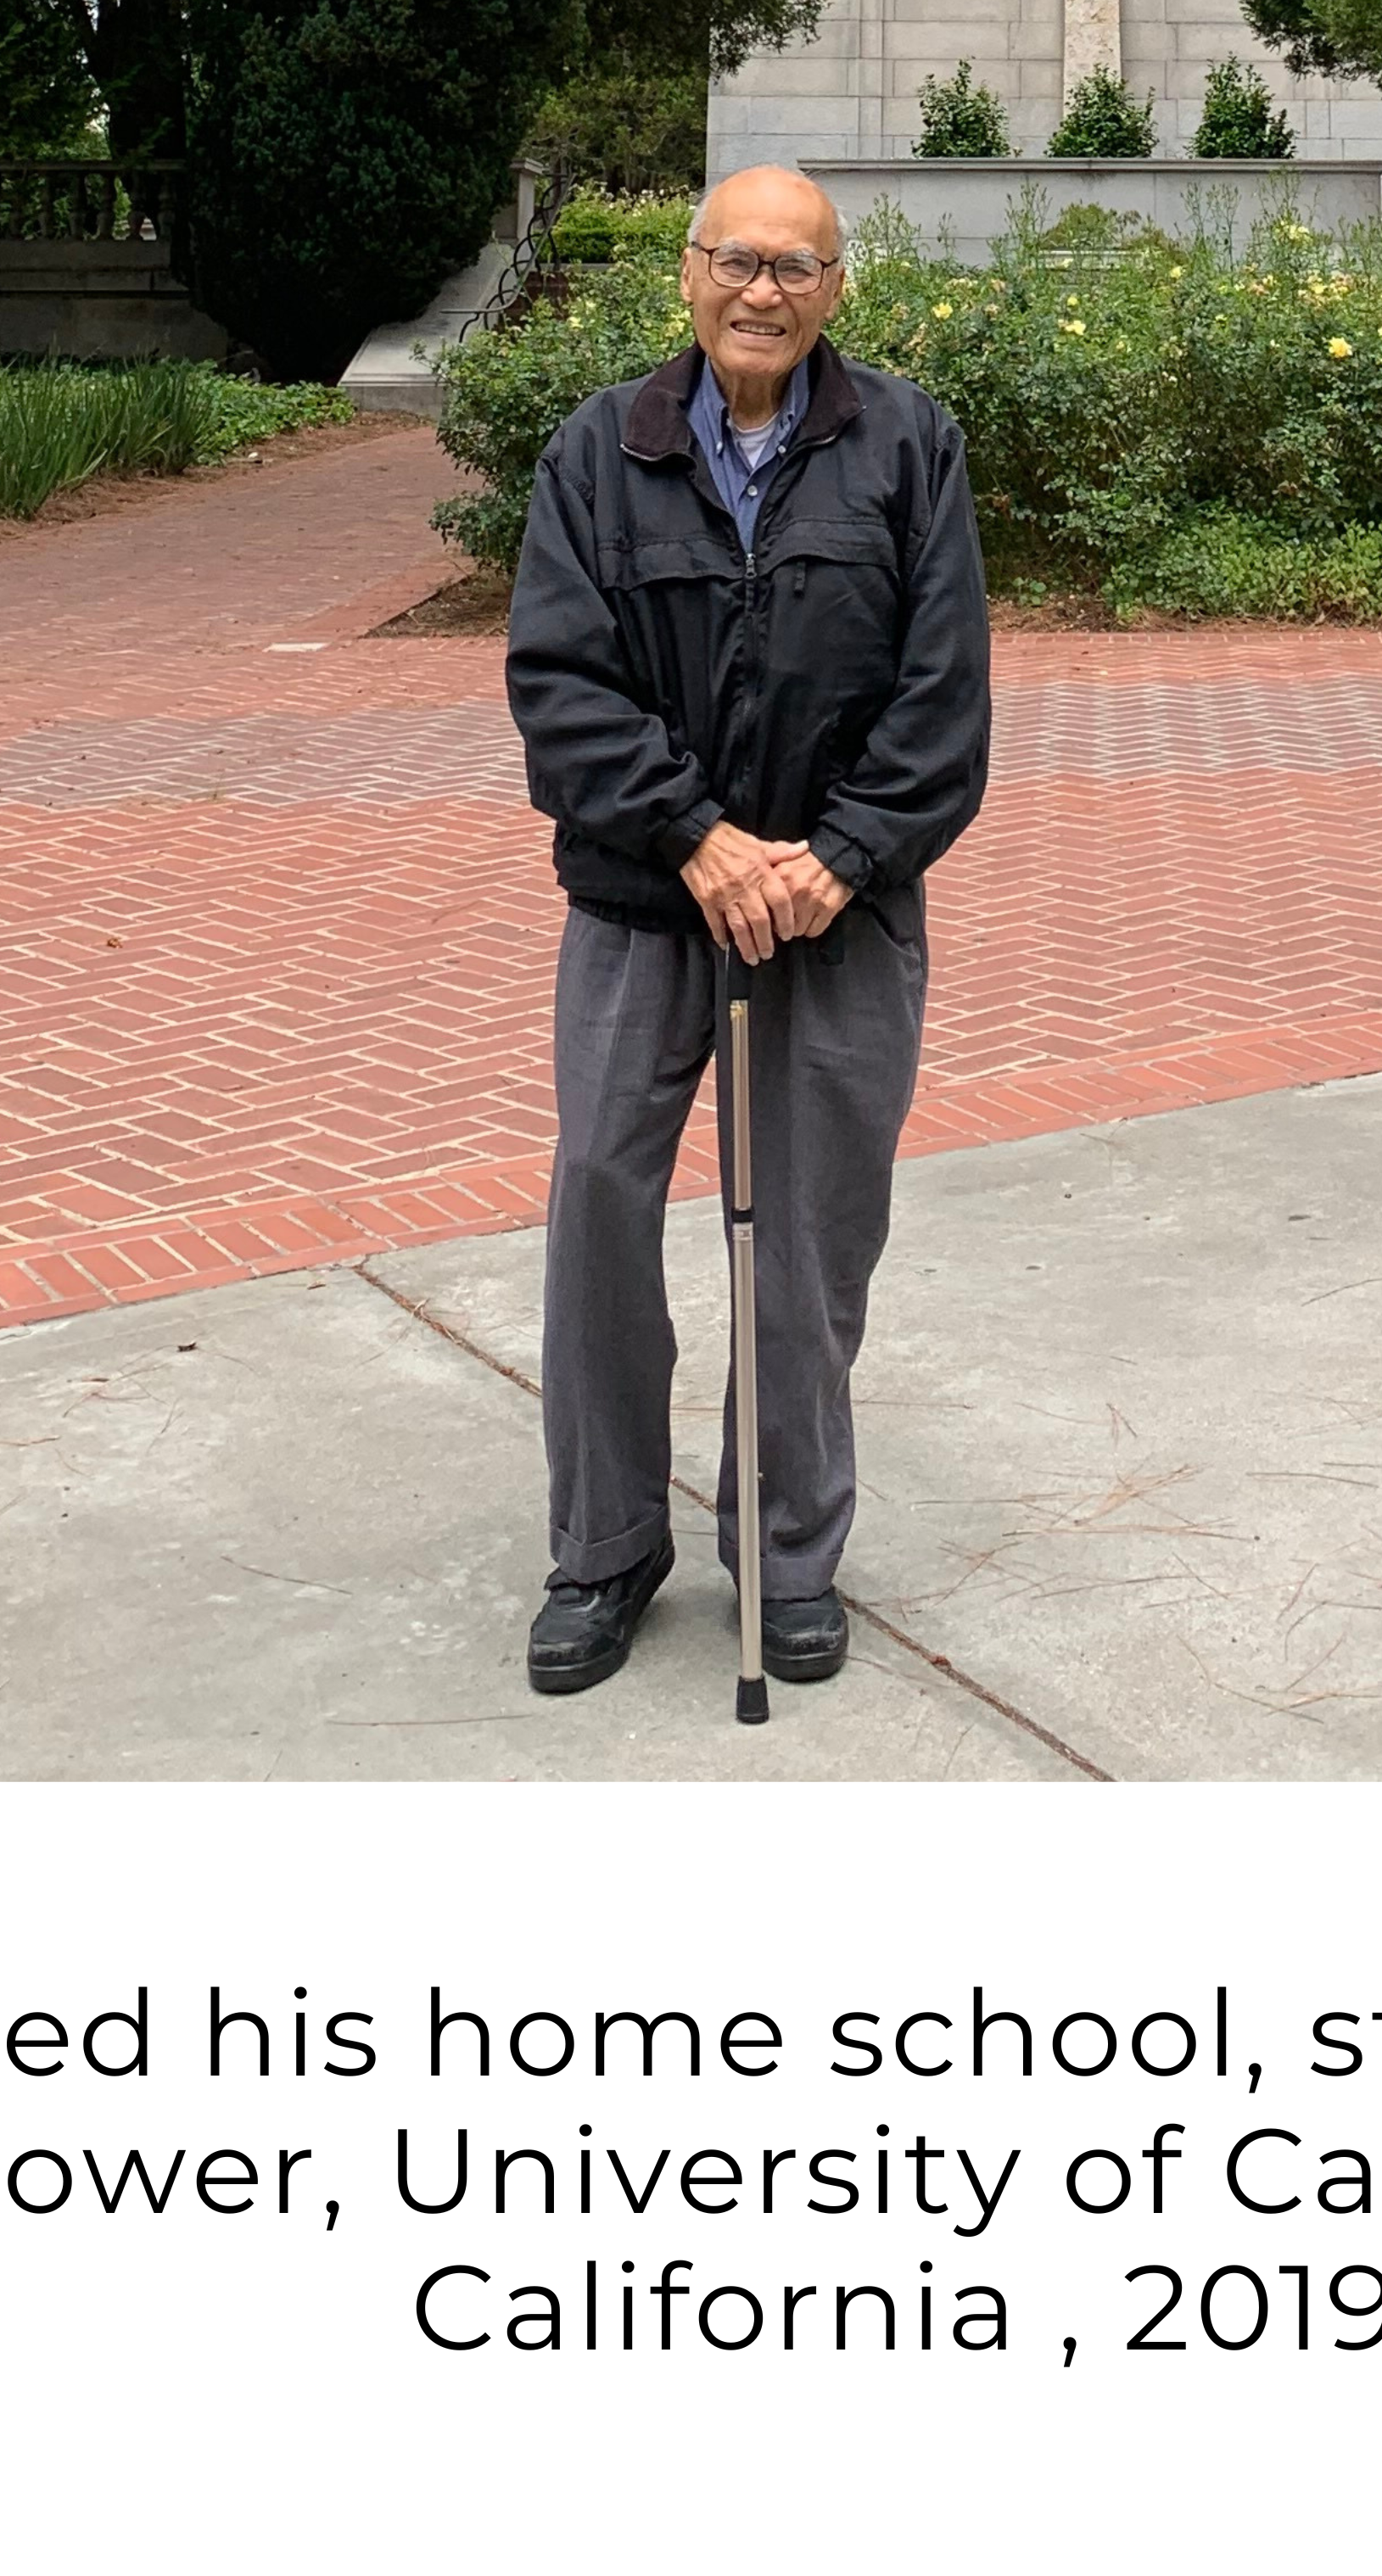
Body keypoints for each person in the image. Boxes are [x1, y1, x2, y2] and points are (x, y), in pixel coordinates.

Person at [501, 165, 991, 1696]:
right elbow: (559, 685)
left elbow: (942, 697)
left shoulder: (905, 442)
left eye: (794, 266)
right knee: (596, 1198)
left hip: (836, 914)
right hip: (649, 898)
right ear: (688, 274)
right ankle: (604, 1547)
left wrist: (834, 858)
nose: (762, 292)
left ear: (835, 289)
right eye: (736, 261)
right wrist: (698, 838)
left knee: (806, 1233)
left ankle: (783, 1555)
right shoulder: (601, 448)